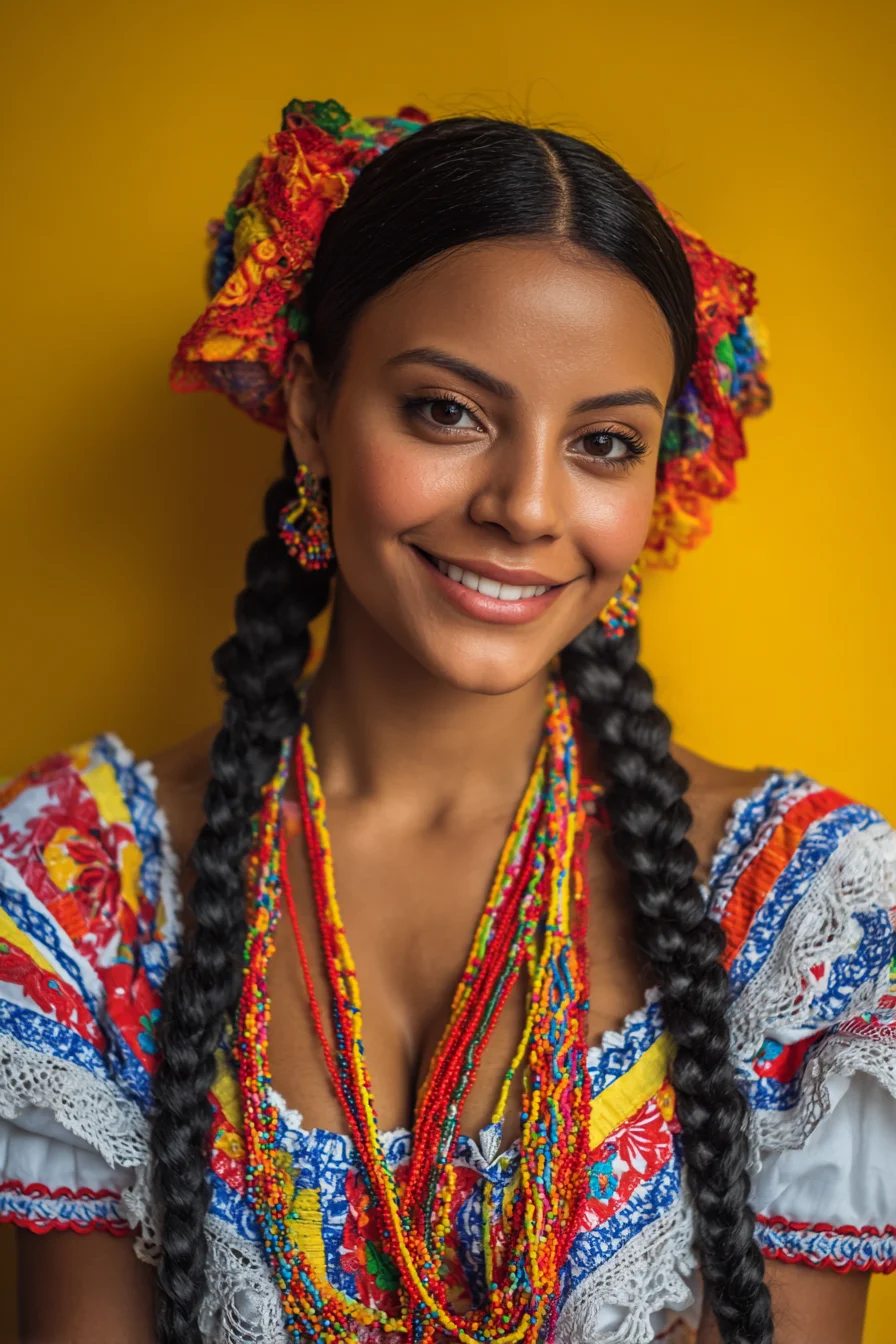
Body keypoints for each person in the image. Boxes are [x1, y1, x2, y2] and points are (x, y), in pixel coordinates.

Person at [1, 99, 893, 1344]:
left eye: (601, 442)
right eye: (446, 412)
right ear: (311, 409)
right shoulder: (79, 887)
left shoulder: (801, 911)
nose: (526, 507)